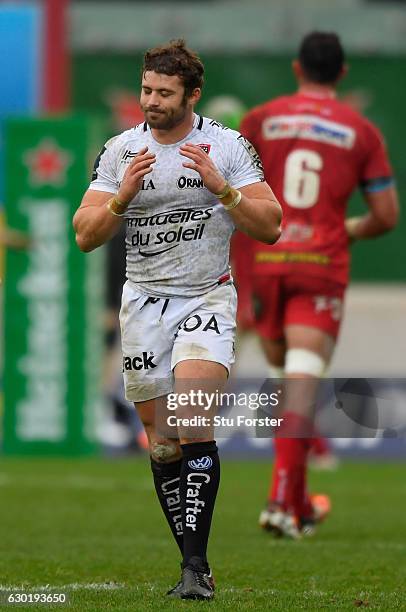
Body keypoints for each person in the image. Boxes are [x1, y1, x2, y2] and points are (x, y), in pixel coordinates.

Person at [73, 39, 282, 600]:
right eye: (146, 90)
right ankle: (193, 562)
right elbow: (84, 236)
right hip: (142, 305)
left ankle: (195, 568)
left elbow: (270, 225)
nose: (151, 102)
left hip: (206, 299)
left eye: (164, 93)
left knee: (193, 424)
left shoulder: (229, 147)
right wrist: (121, 198)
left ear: (193, 95)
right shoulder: (121, 151)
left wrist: (223, 188)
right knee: (162, 445)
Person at [235, 31, 399, 538]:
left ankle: (299, 503)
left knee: (289, 381)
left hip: (268, 261)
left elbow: (237, 197)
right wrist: (345, 228)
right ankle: (283, 503)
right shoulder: (361, 131)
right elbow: (386, 216)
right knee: (302, 382)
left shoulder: (260, 120)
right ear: (343, 73)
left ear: (296, 67)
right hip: (318, 263)